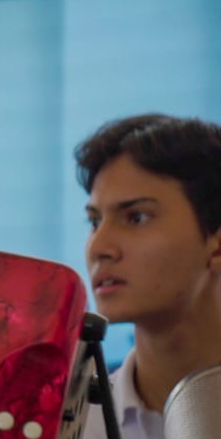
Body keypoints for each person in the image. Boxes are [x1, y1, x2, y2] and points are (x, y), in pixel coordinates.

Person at [77, 114, 221, 439]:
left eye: (136, 217)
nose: (99, 247)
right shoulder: (71, 424)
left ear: (216, 245)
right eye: (94, 222)